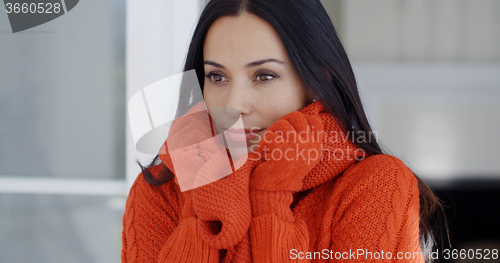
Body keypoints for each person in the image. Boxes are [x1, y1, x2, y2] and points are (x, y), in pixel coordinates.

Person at [121, 0, 446, 262]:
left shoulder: (375, 185)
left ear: (318, 78)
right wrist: (203, 189)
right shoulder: (159, 190)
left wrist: (269, 197)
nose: (234, 105)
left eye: (264, 76)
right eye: (217, 77)